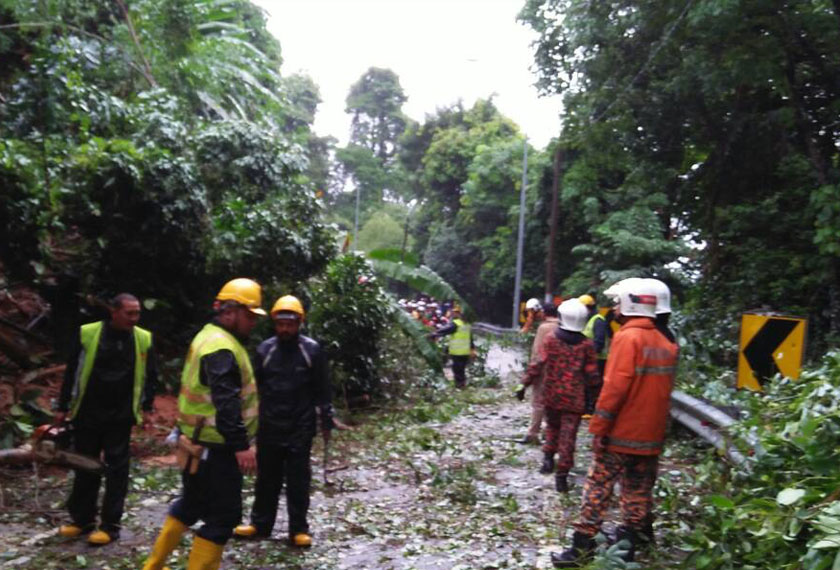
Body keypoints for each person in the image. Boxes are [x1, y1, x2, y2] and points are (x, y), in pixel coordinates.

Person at [552, 278, 678, 567]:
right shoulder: (667, 341)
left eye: (618, 302)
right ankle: (628, 548)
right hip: (651, 435)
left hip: (621, 433)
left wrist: (599, 428)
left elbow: (615, 388)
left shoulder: (627, 337)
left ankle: (580, 550)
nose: (615, 308)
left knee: (597, 487)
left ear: (631, 304)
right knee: (637, 491)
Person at [142, 278, 263, 570]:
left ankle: (153, 566)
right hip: (216, 448)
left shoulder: (208, 336)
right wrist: (241, 446)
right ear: (229, 311)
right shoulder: (222, 348)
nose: (252, 323)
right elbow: (226, 403)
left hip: (196, 443)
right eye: (249, 315)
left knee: (191, 505)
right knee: (223, 517)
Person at [55, 293, 157, 545]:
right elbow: (72, 371)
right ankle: (82, 520)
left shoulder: (143, 339)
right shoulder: (88, 333)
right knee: (85, 465)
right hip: (88, 411)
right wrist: (63, 405)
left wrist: (147, 407)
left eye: (137, 313)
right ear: (114, 311)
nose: (134, 318)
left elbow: (150, 375)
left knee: (116, 471)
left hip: (120, 415)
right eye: (129, 313)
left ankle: (110, 525)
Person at [233, 295, 334, 546]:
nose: (285, 329)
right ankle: (260, 524)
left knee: (298, 480)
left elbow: (323, 387)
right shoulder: (264, 350)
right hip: (269, 424)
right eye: (280, 324)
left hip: (300, 425)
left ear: (299, 323)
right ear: (274, 324)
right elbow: (252, 388)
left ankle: (298, 529)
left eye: (290, 324)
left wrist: (327, 417)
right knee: (267, 478)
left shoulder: (311, 350)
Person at [517, 299, 599, 491]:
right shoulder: (586, 345)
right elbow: (592, 375)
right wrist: (596, 396)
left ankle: (547, 460)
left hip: (551, 396)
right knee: (568, 438)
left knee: (552, 429)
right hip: (574, 400)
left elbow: (537, 364)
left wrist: (523, 384)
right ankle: (561, 476)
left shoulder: (551, 339)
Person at [519, 302, 560, 445]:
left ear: (543, 312)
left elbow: (538, 353)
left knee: (538, 402)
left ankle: (533, 433)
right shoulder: (563, 326)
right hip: (559, 372)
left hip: (543, 370)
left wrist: (530, 374)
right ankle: (549, 433)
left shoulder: (544, 328)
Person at [430, 305, 475, 388]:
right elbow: (470, 338)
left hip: (457, 351)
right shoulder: (467, 325)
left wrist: (434, 334)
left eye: (455, 312)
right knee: (462, 369)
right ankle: (462, 384)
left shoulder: (455, 324)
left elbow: (445, 330)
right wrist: (472, 349)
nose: (453, 314)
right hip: (465, 351)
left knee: (457, 369)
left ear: (459, 314)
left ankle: (459, 385)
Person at [579, 293, 609, 413]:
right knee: (586, 384)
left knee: (594, 385)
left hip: (598, 359)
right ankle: (587, 408)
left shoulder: (598, 321)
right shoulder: (588, 320)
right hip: (590, 358)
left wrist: (590, 355)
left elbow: (599, 342)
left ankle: (593, 409)